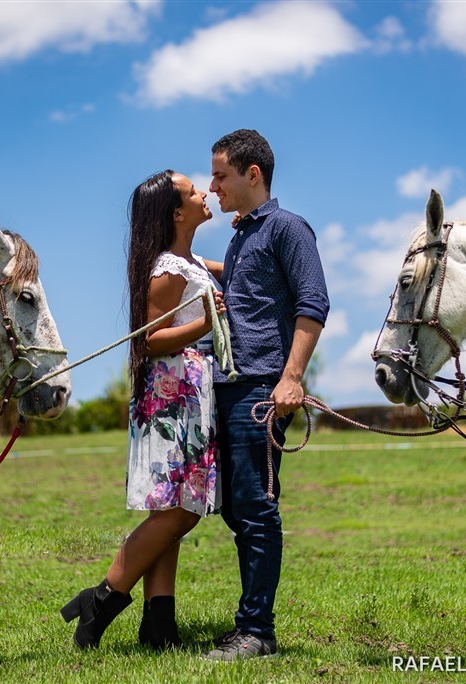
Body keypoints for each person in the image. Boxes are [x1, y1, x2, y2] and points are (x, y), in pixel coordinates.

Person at [61, 170, 226, 650]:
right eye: (195, 191)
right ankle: (104, 596)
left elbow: (234, 268)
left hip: (187, 396)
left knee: (174, 509)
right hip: (172, 398)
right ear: (177, 212)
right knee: (182, 512)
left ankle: (159, 626)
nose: (204, 193)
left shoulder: (189, 261)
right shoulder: (169, 269)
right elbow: (151, 339)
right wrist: (208, 322)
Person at [205, 129, 329, 661]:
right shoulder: (241, 236)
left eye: (220, 175)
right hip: (229, 385)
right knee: (235, 508)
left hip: (261, 388)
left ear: (252, 175)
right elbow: (241, 287)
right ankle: (250, 623)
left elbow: (313, 302)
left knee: (256, 509)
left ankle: (257, 632)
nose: (212, 187)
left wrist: (292, 377)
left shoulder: (287, 228)